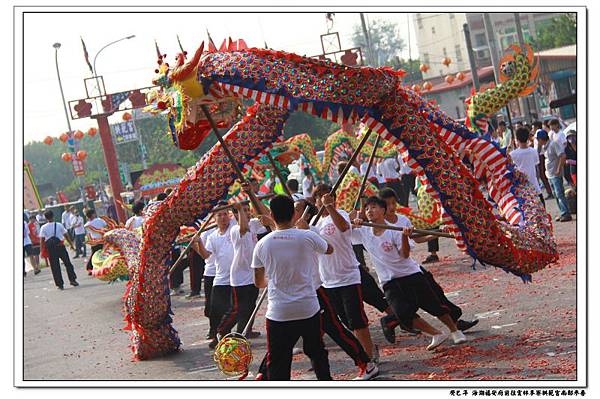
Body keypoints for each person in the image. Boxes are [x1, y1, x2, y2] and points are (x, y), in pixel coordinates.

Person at [351, 196, 467, 350]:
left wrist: (405, 237)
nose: (369, 211)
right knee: (402, 313)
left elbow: (404, 255)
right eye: (366, 209)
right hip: (388, 281)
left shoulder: (394, 230)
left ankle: (455, 330)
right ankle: (436, 334)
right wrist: (353, 222)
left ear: (382, 210)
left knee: (434, 305)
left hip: (410, 274)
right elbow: (345, 231)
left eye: (373, 207)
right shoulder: (363, 231)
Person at [376, 191, 478, 341]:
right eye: (387, 203)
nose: (391, 207)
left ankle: (455, 324)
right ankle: (392, 321)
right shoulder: (375, 226)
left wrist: (436, 233)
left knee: (436, 294)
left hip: (411, 269)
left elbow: (416, 238)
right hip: (394, 274)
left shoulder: (402, 220)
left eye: (393, 202)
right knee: (408, 306)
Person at [252, 195, 333, 381]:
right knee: (317, 353)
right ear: (294, 214)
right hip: (308, 308)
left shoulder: (262, 244)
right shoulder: (307, 236)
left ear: (271, 214)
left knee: (279, 361)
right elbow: (329, 249)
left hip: (279, 312)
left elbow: (258, 282)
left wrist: (272, 281)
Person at [308, 184, 377, 368]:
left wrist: (330, 207)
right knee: (345, 321)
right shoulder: (313, 222)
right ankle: (367, 350)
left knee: (357, 320)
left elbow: (344, 228)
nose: (322, 200)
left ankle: (369, 358)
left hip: (348, 276)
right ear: (314, 201)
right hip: (327, 280)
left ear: (333, 199)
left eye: (327, 197)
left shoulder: (341, 214)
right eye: (319, 198)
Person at [217, 183, 270, 339]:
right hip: (239, 275)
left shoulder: (254, 224)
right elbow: (243, 229)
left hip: (252, 272)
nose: (247, 213)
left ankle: (243, 332)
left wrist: (251, 195)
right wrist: (239, 209)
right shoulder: (234, 229)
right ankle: (221, 330)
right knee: (237, 308)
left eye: (248, 210)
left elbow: (266, 217)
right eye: (243, 211)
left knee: (250, 307)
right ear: (235, 214)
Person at [194, 203, 236, 349]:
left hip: (236, 278)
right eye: (220, 215)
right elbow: (206, 256)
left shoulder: (234, 229)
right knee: (215, 309)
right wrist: (198, 243)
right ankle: (218, 333)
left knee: (234, 309)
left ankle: (225, 334)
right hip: (220, 278)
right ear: (214, 218)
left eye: (225, 214)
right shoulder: (212, 236)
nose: (223, 217)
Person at [536, 130, 572, 222]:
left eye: (538, 139)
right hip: (550, 174)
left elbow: (562, 156)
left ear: (541, 139)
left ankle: (566, 213)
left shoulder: (553, 144)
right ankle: (562, 212)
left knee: (559, 193)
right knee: (556, 194)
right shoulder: (545, 146)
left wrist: (558, 169)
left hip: (555, 173)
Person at [39, 210, 78, 290]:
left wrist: (41, 251)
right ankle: (72, 280)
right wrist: (71, 245)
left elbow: (42, 240)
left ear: (46, 218)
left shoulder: (43, 227)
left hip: (51, 249)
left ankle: (60, 284)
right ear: (53, 216)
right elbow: (66, 235)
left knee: (55, 267)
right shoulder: (59, 225)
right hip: (60, 246)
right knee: (68, 263)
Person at [509, 127, 544, 205]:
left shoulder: (512, 154)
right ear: (528, 137)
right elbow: (536, 166)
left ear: (517, 139)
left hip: (521, 189)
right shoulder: (534, 151)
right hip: (535, 186)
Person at [84, 209, 108, 274]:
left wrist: (91, 242)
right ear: (93, 214)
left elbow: (88, 235)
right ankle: (103, 267)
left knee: (94, 254)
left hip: (94, 241)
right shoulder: (100, 220)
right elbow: (106, 227)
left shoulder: (87, 224)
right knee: (103, 253)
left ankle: (90, 267)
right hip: (102, 239)